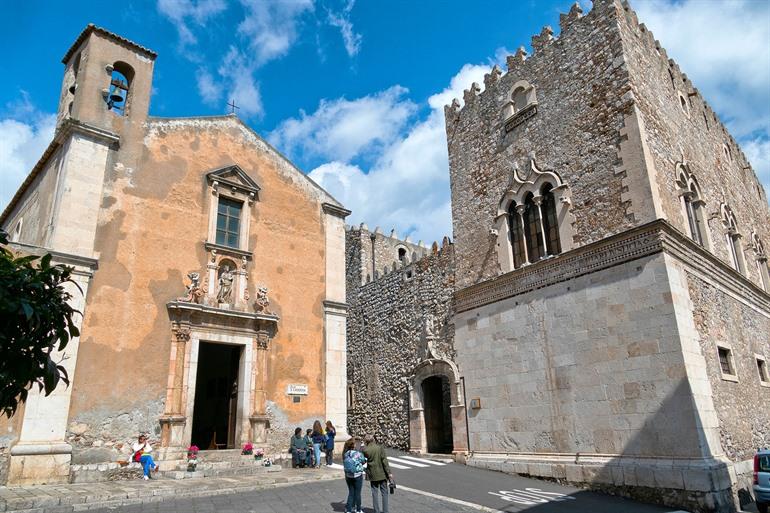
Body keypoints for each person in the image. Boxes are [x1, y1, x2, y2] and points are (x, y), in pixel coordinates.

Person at [363, 434, 393, 513]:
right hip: (382, 473)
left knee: (374, 492)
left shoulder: (365, 450)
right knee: (384, 493)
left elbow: (363, 461)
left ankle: (376, 510)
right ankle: (385, 511)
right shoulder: (380, 448)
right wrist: (389, 473)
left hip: (372, 474)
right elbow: (384, 461)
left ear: (366, 441)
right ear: (373, 439)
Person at [342, 437, 366, 513]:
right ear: (353, 445)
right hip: (357, 475)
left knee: (351, 492)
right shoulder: (358, 454)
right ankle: (358, 509)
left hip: (348, 475)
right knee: (358, 493)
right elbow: (363, 461)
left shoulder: (345, 453)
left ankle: (349, 509)